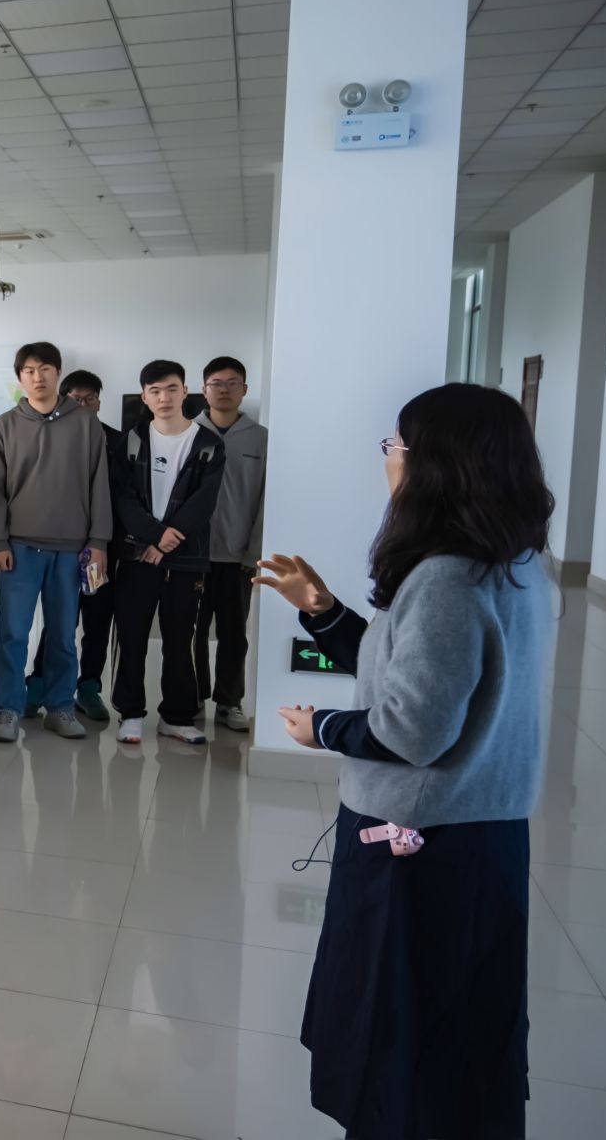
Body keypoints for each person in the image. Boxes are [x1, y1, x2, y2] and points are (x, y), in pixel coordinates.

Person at [262, 383, 555, 1139]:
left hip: (419, 849)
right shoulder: (516, 561)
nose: (389, 459)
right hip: (479, 834)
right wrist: (322, 610)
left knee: (398, 1041)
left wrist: (322, 727)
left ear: (438, 464)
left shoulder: (446, 577)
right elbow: (412, 673)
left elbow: (410, 729)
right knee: (460, 1044)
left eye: (397, 445)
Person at [0, 341, 111, 743]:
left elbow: (99, 485)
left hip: (71, 549)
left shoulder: (85, 424)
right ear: (20, 377)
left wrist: (99, 541)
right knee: (12, 634)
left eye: (45, 369)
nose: (38, 377)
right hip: (19, 548)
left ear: (58, 373)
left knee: (62, 636)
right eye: (29, 371)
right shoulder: (5, 425)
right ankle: (7, 709)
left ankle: (60, 707)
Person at [109, 361, 226, 746]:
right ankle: (130, 714)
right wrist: (154, 537)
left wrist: (165, 541)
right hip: (138, 554)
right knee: (132, 635)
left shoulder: (208, 443)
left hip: (186, 557)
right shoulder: (131, 440)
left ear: (185, 392)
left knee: (180, 639)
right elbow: (123, 499)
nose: (164, 397)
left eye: (172, 389)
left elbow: (204, 501)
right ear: (144, 396)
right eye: (155, 391)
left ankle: (176, 717)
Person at [25, 369, 117, 721]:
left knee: (97, 620)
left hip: (101, 549)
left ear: (98, 403)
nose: (84, 404)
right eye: (76, 398)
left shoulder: (115, 440)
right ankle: (38, 684)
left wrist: (103, 541)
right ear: (64, 400)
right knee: (59, 620)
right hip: (62, 546)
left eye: (90, 398)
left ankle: (89, 687)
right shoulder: (51, 436)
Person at [194, 356, 267, 733]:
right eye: (216, 383)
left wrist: (254, 552)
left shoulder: (261, 438)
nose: (224, 390)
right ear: (204, 390)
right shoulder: (188, 432)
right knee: (190, 632)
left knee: (234, 634)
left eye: (232, 383)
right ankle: (191, 698)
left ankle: (229, 701)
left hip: (238, 556)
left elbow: (267, 498)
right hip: (192, 555)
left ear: (244, 389)